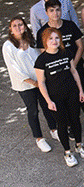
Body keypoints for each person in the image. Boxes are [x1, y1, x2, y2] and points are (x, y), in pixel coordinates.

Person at [36, 0, 84, 131]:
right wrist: (64, 69)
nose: (56, 13)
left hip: (76, 66)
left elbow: (80, 46)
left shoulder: (70, 25)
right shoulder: (42, 32)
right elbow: (45, 55)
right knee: (63, 99)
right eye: (52, 10)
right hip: (57, 74)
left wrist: (73, 66)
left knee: (81, 92)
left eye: (58, 9)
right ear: (46, 12)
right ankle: (70, 125)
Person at [35, 26, 84, 167]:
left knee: (75, 120)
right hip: (55, 98)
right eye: (51, 38)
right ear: (45, 41)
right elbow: (41, 82)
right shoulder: (41, 60)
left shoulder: (66, 53)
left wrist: (81, 91)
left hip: (71, 93)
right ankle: (67, 152)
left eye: (57, 38)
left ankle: (79, 145)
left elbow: (74, 72)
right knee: (62, 125)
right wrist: (48, 101)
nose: (54, 41)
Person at [4, 17, 52, 151]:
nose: (18, 27)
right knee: (33, 111)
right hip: (25, 85)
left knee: (47, 105)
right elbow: (14, 69)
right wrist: (33, 82)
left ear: (25, 26)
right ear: (10, 29)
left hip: (40, 80)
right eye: (15, 26)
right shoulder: (8, 46)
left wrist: (42, 78)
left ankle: (54, 130)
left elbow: (39, 58)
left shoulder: (31, 40)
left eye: (20, 25)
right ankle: (39, 138)